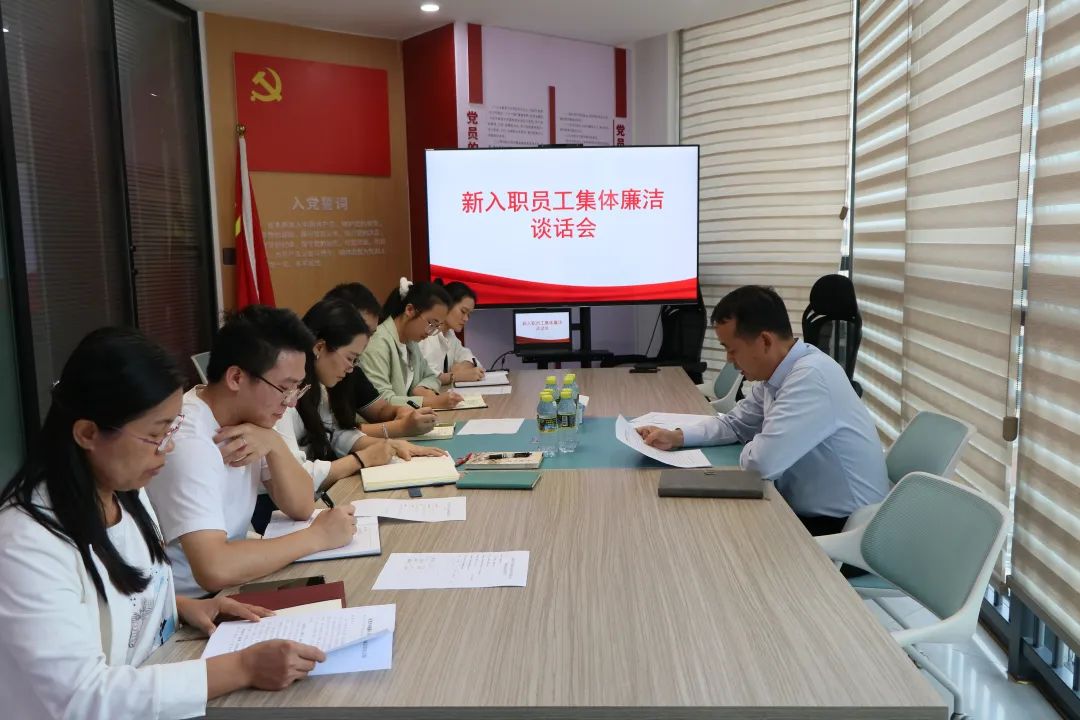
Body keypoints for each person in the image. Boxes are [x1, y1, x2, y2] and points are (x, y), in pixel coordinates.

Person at [0, 327, 327, 720]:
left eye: (172, 428)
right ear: (88, 433)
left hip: (160, 668)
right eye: (156, 434)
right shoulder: (25, 543)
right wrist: (242, 668)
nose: (169, 447)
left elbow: (116, 598)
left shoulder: (124, 492)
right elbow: (82, 698)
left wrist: (181, 606)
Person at [637, 285, 889, 535]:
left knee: (709, 531)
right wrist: (677, 436)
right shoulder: (778, 374)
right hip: (807, 510)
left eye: (732, 350)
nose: (729, 360)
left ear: (765, 341)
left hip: (845, 529)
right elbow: (734, 424)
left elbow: (761, 464)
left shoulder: (810, 377)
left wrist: (759, 442)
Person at [147, 306, 357, 597]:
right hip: (195, 602)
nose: (291, 403)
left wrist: (274, 444)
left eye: (297, 388)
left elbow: (300, 506)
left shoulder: (252, 420)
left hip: (237, 580)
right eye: (284, 388)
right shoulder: (188, 441)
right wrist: (318, 536)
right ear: (236, 378)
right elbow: (214, 569)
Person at [282, 298, 447, 491]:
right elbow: (296, 479)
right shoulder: (282, 396)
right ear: (319, 347)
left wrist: (390, 445)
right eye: (350, 358)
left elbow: (334, 433)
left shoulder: (316, 385)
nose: (351, 369)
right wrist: (362, 459)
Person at [323, 282, 437, 437]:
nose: (367, 341)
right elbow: (332, 435)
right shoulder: (304, 379)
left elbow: (380, 409)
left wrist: (400, 411)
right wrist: (400, 427)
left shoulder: (351, 368)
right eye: (361, 331)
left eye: (371, 333)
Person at [359, 278, 464, 409]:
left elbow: (432, 376)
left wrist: (422, 388)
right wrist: (431, 402)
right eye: (431, 323)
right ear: (410, 310)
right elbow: (381, 401)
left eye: (436, 327)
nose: (431, 332)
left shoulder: (410, 341)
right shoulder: (378, 343)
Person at [419, 279, 485, 385]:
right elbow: (425, 378)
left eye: (469, 314)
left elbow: (468, 356)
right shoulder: (426, 334)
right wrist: (457, 376)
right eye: (463, 311)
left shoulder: (449, 334)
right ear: (446, 304)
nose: (466, 319)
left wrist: (464, 366)